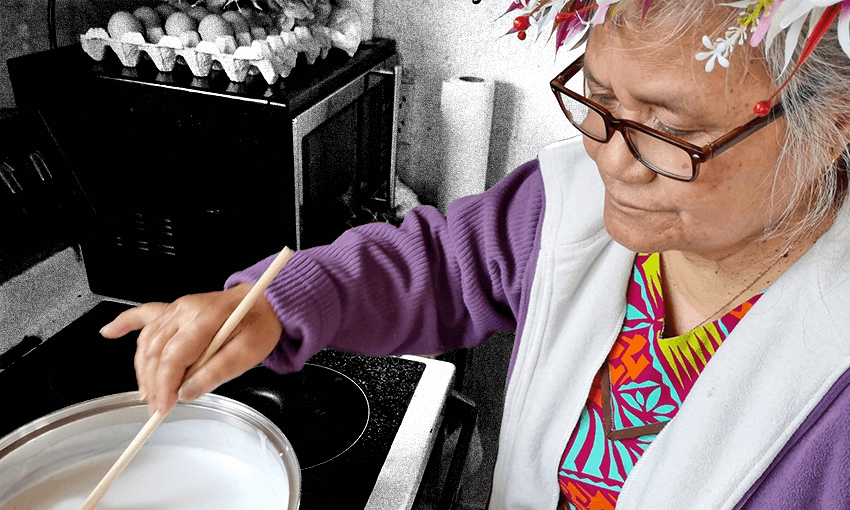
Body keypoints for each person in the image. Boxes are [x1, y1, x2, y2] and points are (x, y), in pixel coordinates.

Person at [100, 1, 850, 508]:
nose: (612, 161)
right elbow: (436, 267)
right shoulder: (564, 203)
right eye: (599, 102)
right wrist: (269, 304)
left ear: (832, 125)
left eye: (667, 130)